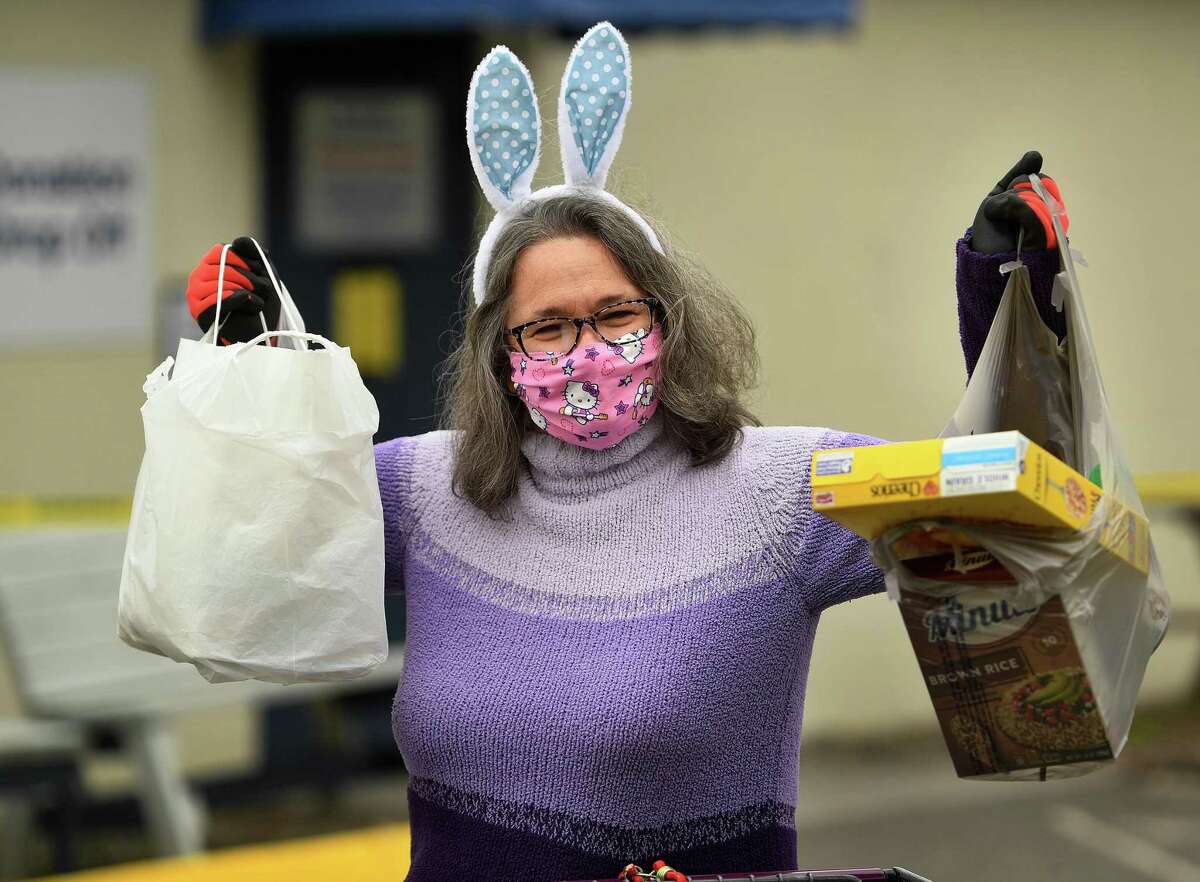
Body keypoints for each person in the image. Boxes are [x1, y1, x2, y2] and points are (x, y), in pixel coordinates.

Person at [184, 23, 1070, 882]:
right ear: (501, 352)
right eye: (548, 327)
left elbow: (1008, 510)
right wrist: (250, 374)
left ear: (667, 322)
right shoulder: (427, 488)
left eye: (615, 315)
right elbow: (251, 559)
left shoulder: (783, 491)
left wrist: (1008, 295)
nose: (586, 350)